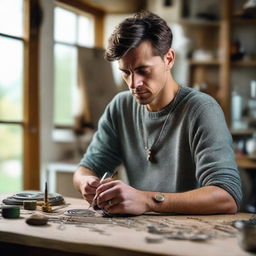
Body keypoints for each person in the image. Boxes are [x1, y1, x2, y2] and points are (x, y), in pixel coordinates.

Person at [73, 11, 242, 215]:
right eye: (126, 72)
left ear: (169, 59)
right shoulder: (120, 107)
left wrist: (148, 201)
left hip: (195, 234)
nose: (134, 84)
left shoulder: (202, 109)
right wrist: (86, 182)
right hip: (141, 230)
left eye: (143, 70)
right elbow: (85, 169)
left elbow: (227, 196)